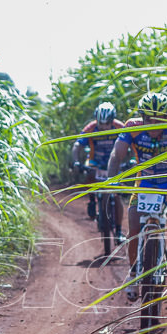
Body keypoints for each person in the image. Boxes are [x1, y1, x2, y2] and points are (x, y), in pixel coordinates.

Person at [106, 92, 167, 301]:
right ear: (142, 117)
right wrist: (112, 179)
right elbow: (116, 155)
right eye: (148, 119)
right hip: (144, 183)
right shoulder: (132, 127)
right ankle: (132, 273)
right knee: (134, 227)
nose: (153, 124)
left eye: (159, 119)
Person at [70, 102, 126, 244]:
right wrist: (76, 161)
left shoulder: (120, 127)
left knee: (117, 195)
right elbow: (77, 145)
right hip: (95, 161)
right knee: (89, 173)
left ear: (112, 121)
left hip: (113, 163)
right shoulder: (91, 127)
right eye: (101, 124)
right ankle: (92, 200)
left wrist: (132, 160)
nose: (103, 127)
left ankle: (119, 231)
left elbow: (133, 143)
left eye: (107, 124)